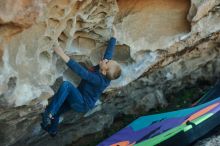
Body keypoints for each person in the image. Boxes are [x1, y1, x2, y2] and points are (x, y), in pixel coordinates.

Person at [40, 26, 121, 137]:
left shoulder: (99, 80)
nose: (106, 60)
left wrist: (60, 53)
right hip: (79, 96)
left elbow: (82, 72)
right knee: (58, 111)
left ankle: (48, 114)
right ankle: (52, 129)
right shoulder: (105, 68)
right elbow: (109, 53)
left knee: (67, 86)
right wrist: (114, 36)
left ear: (104, 70)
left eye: (107, 62)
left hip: (82, 103)